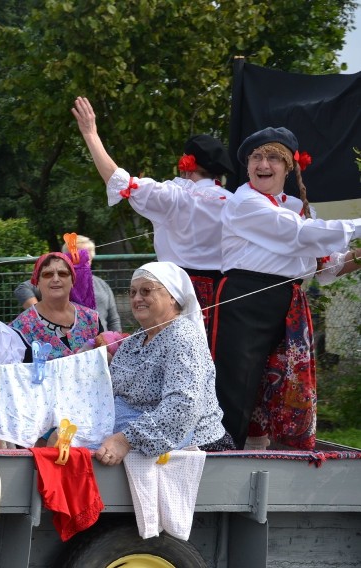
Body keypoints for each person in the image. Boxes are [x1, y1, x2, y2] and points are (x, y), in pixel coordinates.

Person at [212, 127, 361, 450]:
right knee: (237, 386)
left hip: (288, 300)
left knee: (284, 387)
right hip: (245, 298)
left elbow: (324, 263)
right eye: (256, 157)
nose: (263, 164)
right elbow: (298, 235)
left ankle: (274, 459)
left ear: (289, 166)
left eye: (273, 158)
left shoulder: (297, 207)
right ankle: (220, 459)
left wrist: (357, 257)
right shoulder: (244, 202)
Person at [71, 96, 235, 326]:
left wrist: (90, 134)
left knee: (175, 353)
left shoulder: (174, 196)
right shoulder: (235, 202)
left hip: (176, 291)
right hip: (223, 291)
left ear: (187, 163)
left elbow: (119, 181)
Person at [93, 262, 232, 467]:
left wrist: (125, 440)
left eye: (146, 291)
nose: (137, 298)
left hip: (195, 449)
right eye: (132, 292)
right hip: (140, 444)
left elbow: (182, 406)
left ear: (173, 297)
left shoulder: (182, 338)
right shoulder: (134, 341)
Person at [14, 236, 122, 332]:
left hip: (101, 344)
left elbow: (113, 320)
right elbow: (23, 288)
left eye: (87, 256)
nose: (83, 259)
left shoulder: (102, 285)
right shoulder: (59, 283)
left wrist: (116, 343)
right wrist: (39, 315)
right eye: (78, 255)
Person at [10, 252, 100, 360]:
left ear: (72, 281)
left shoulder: (91, 319)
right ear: (37, 282)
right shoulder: (20, 328)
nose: (56, 279)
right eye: (48, 274)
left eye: (63, 274)